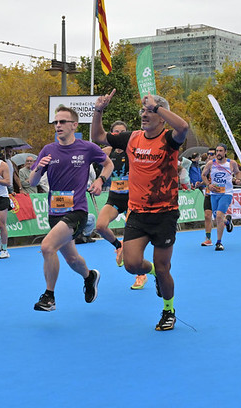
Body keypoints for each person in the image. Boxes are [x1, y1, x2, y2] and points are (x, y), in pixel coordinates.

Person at [93, 90, 189, 331]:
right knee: (132, 264)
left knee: (165, 266)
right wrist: (99, 110)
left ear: (161, 116)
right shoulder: (132, 137)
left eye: (149, 111)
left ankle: (168, 310)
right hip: (138, 213)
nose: (144, 115)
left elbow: (184, 127)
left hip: (165, 213)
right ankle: (154, 272)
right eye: (143, 111)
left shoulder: (169, 139)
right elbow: (99, 136)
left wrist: (157, 106)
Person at [29, 104, 112, 312]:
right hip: (54, 212)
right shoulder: (48, 150)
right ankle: (89, 276)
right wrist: (39, 168)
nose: (58, 125)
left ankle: (49, 297)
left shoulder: (87, 148)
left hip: (77, 211)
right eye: (56, 122)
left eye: (62, 122)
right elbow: (32, 181)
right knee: (72, 259)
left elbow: (108, 164)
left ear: (74, 125)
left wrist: (100, 181)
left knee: (47, 247)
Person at [91, 119, 147, 290]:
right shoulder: (107, 151)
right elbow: (88, 158)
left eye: (122, 132)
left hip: (133, 199)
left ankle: (141, 275)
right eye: (115, 132)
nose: (118, 135)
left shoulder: (134, 151)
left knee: (133, 239)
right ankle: (118, 245)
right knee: (100, 226)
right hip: (115, 198)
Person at [201, 144, 239, 251]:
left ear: (225, 152)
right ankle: (227, 221)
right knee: (217, 217)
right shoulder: (210, 163)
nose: (218, 153)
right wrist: (208, 185)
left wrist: (238, 179)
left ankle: (219, 242)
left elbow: (237, 172)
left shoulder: (231, 163)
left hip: (226, 193)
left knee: (218, 216)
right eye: (217, 151)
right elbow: (203, 175)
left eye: (220, 151)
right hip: (214, 194)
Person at [199, 148, 216, 246]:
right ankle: (208, 239)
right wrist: (200, 183)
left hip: (218, 194)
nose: (209, 156)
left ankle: (227, 222)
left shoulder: (221, 166)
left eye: (212, 154)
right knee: (207, 216)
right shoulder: (206, 166)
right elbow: (205, 178)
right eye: (208, 154)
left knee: (219, 217)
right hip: (208, 194)